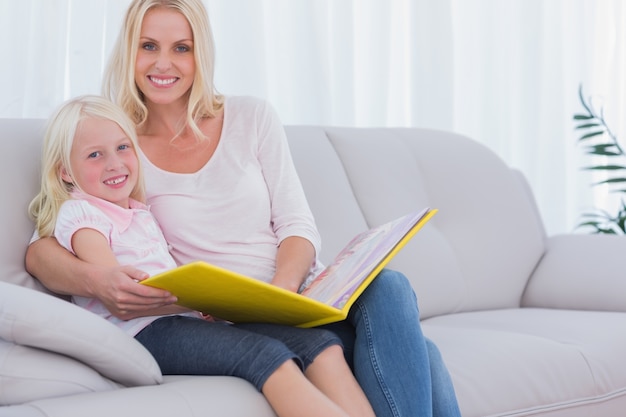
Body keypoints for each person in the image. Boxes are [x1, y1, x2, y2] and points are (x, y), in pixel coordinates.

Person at [25, 1, 462, 416]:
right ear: (129, 52)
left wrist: (285, 291)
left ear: (201, 54)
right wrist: (98, 280)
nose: (164, 64)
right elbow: (44, 248)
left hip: (297, 295)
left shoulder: (251, 117)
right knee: (424, 355)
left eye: (182, 48)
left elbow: (297, 225)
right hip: (230, 318)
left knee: (390, 286)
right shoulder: (115, 142)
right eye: (148, 46)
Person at [28, 94, 375, 417]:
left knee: (321, 344)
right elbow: (123, 287)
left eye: (122, 148)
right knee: (265, 356)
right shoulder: (82, 214)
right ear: (65, 172)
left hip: (177, 321)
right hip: (143, 333)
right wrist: (195, 300)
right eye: (95, 155)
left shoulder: (138, 211)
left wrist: (200, 302)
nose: (114, 164)